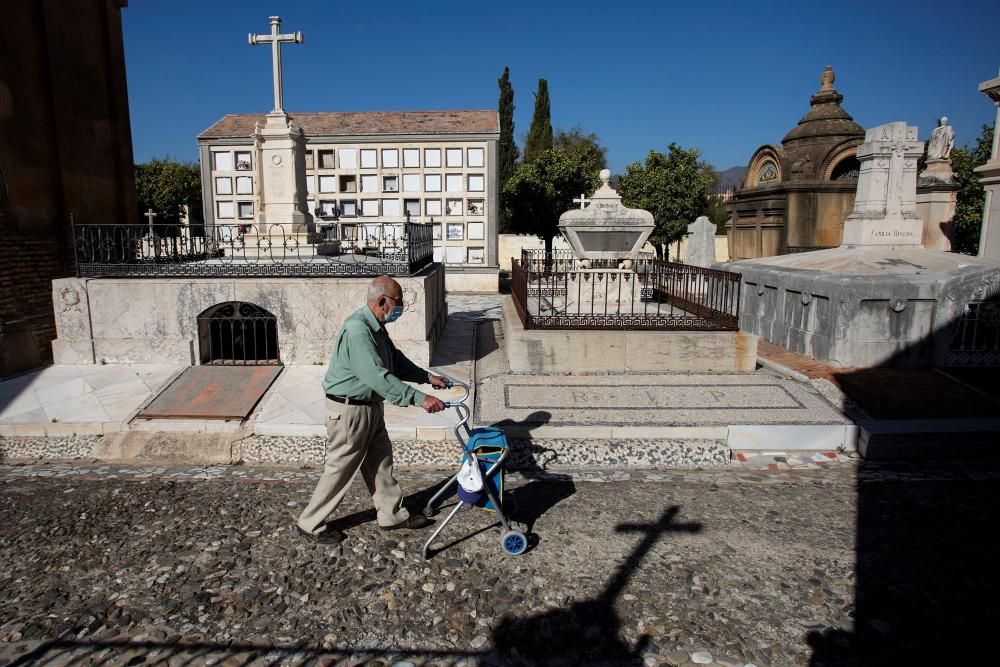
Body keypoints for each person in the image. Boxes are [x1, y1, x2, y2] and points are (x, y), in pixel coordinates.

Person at [296, 275, 447, 544]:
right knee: (340, 469)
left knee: (380, 463)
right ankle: (310, 523)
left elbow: (394, 361)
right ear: (382, 301)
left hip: (370, 408)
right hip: (349, 412)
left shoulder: (374, 326)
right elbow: (377, 375)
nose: (400, 308)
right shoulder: (358, 330)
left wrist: (426, 377)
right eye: (398, 302)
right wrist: (418, 398)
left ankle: (392, 515)